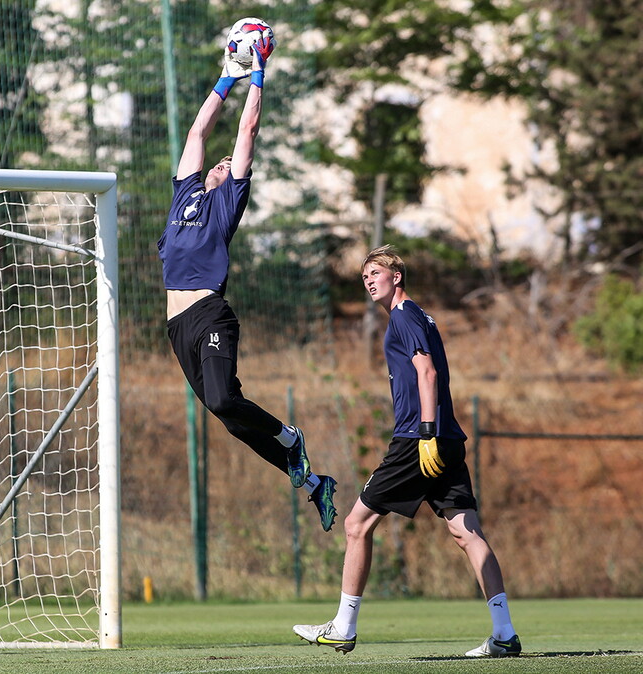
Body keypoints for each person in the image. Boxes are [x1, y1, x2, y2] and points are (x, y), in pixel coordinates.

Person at [293, 245, 521, 657]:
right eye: (364, 276)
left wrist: (427, 433)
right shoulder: (417, 317)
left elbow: (426, 372)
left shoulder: (405, 315)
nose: (368, 280)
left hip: (421, 438)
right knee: (466, 532)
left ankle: (343, 626)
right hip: (445, 438)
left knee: (356, 524)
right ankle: (504, 633)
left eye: (375, 272)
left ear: (396, 277)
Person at [157, 29, 337, 531]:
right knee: (230, 418)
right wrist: (225, 78)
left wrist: (257, 73)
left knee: (222, 398)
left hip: (209, 312)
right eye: (218, 163)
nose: (221, 161)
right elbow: (197, 135)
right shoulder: (184, 195)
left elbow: (247, 132)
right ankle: (311, 482)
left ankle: (290, 436)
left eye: (227, 163)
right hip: (177, 327)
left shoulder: (226, 201)